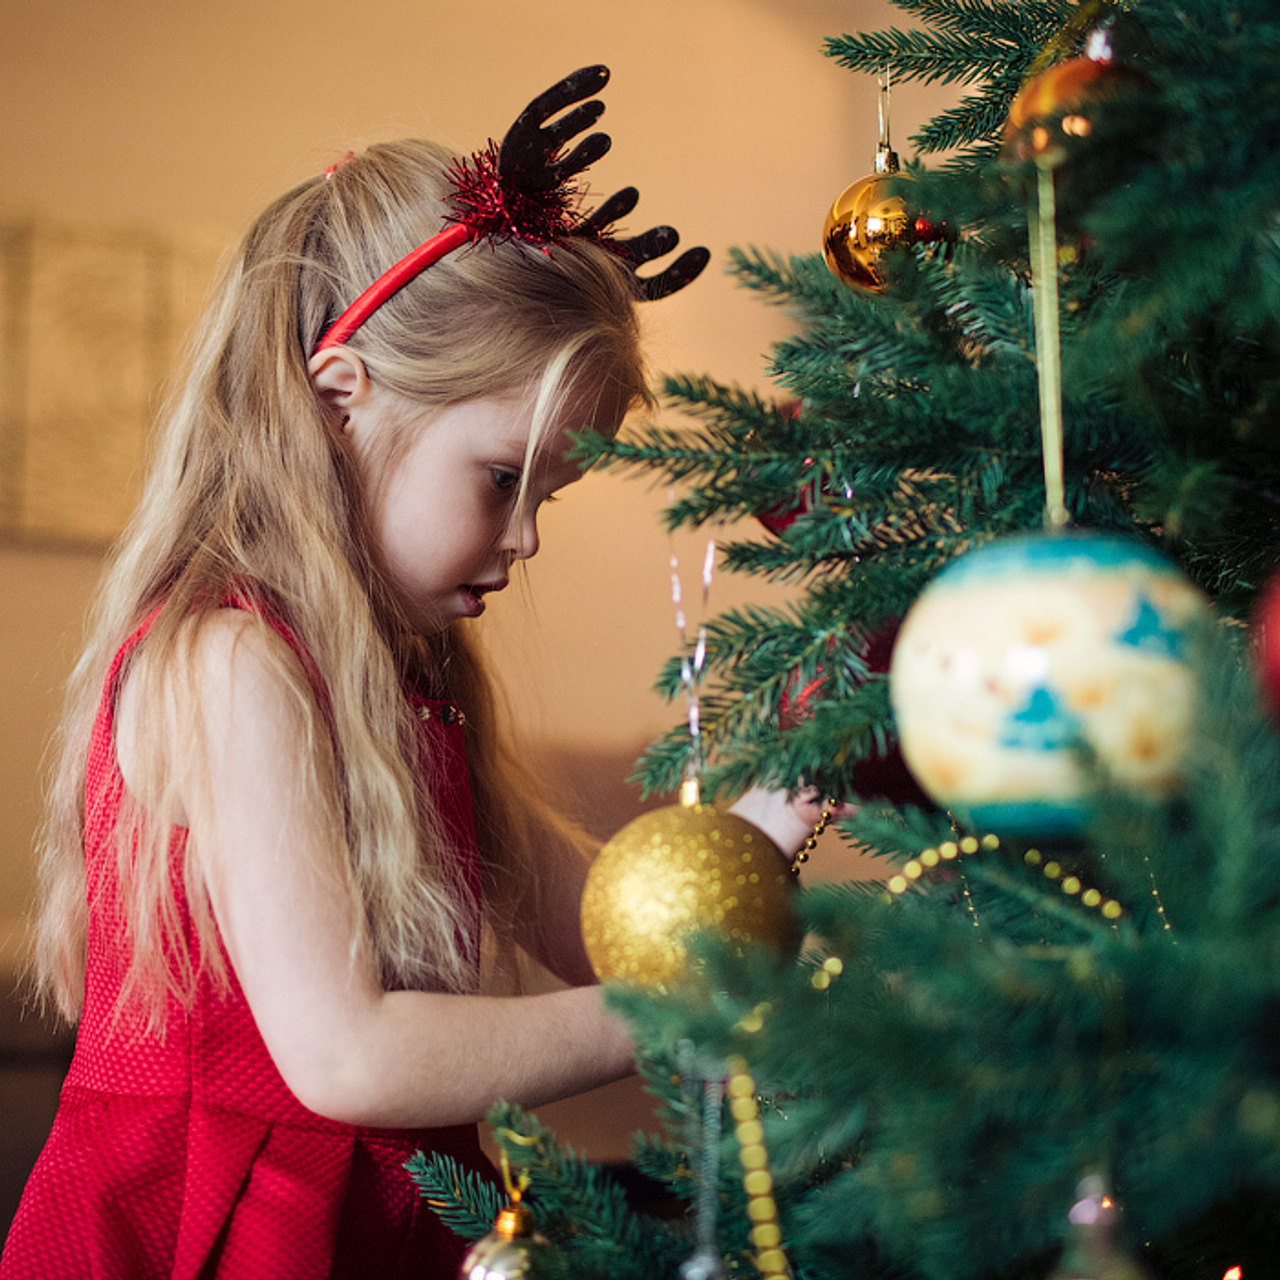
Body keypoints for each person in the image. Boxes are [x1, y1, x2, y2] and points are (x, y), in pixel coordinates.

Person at [0, 67, 831, 1279]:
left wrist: (805, 782)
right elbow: (348, 1056)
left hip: (393, 1212)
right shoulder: (231, 658)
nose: (529, 538)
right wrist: (667, 1019)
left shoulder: (421, 682)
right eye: (505, 478)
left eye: (549, 494)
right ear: (344, 401)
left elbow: (614, 932)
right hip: (222, 1232)